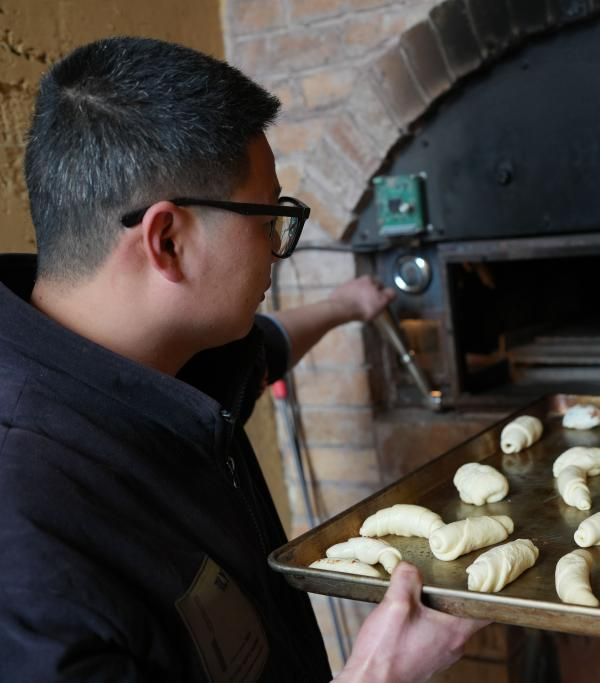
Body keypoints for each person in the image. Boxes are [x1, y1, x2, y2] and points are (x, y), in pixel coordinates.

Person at [0, 36, 485, 681]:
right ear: (167, 241)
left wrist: (344, 306)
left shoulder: (144, 354)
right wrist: (380, 675)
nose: (275, 246)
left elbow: (265, 349)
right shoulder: (33, 554)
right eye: (267, 219)